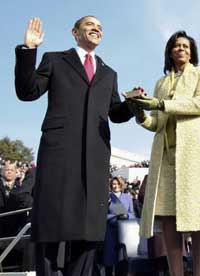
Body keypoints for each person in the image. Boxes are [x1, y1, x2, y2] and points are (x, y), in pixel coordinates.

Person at [14, 16, 133, 275]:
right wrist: (29, 51)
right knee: (51, 228)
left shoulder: (109, 73)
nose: (96, 29)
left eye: (100, 27)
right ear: (75, 32)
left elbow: (115, 112)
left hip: (95, 158)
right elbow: (27, 91)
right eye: (90, 25)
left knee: (87, 232)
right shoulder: (55, 60)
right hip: (59, 154)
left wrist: (133, 104)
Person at [128, 30, 200, 276]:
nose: (181, 49)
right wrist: (140, 113)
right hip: (166, 156)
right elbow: (157, 123)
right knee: (168, 219)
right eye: (176, 46)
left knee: (199, 217)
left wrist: (160, 104)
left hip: (195, 155)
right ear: (170, 52)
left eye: (185, 46)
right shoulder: (161, 83)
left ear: (192, 51)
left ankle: (198, 273)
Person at [103, 176, 135, 276]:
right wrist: (116, 215)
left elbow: (132, 214)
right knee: (109, 258)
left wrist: (127, 216)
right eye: (113, 184)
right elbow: (102, 215)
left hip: (124, 231)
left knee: (122, 259)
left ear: (121, 185)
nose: (115, 186)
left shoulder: (128, 197)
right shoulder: (107, 197)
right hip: (110, 231)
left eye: (117, 184)